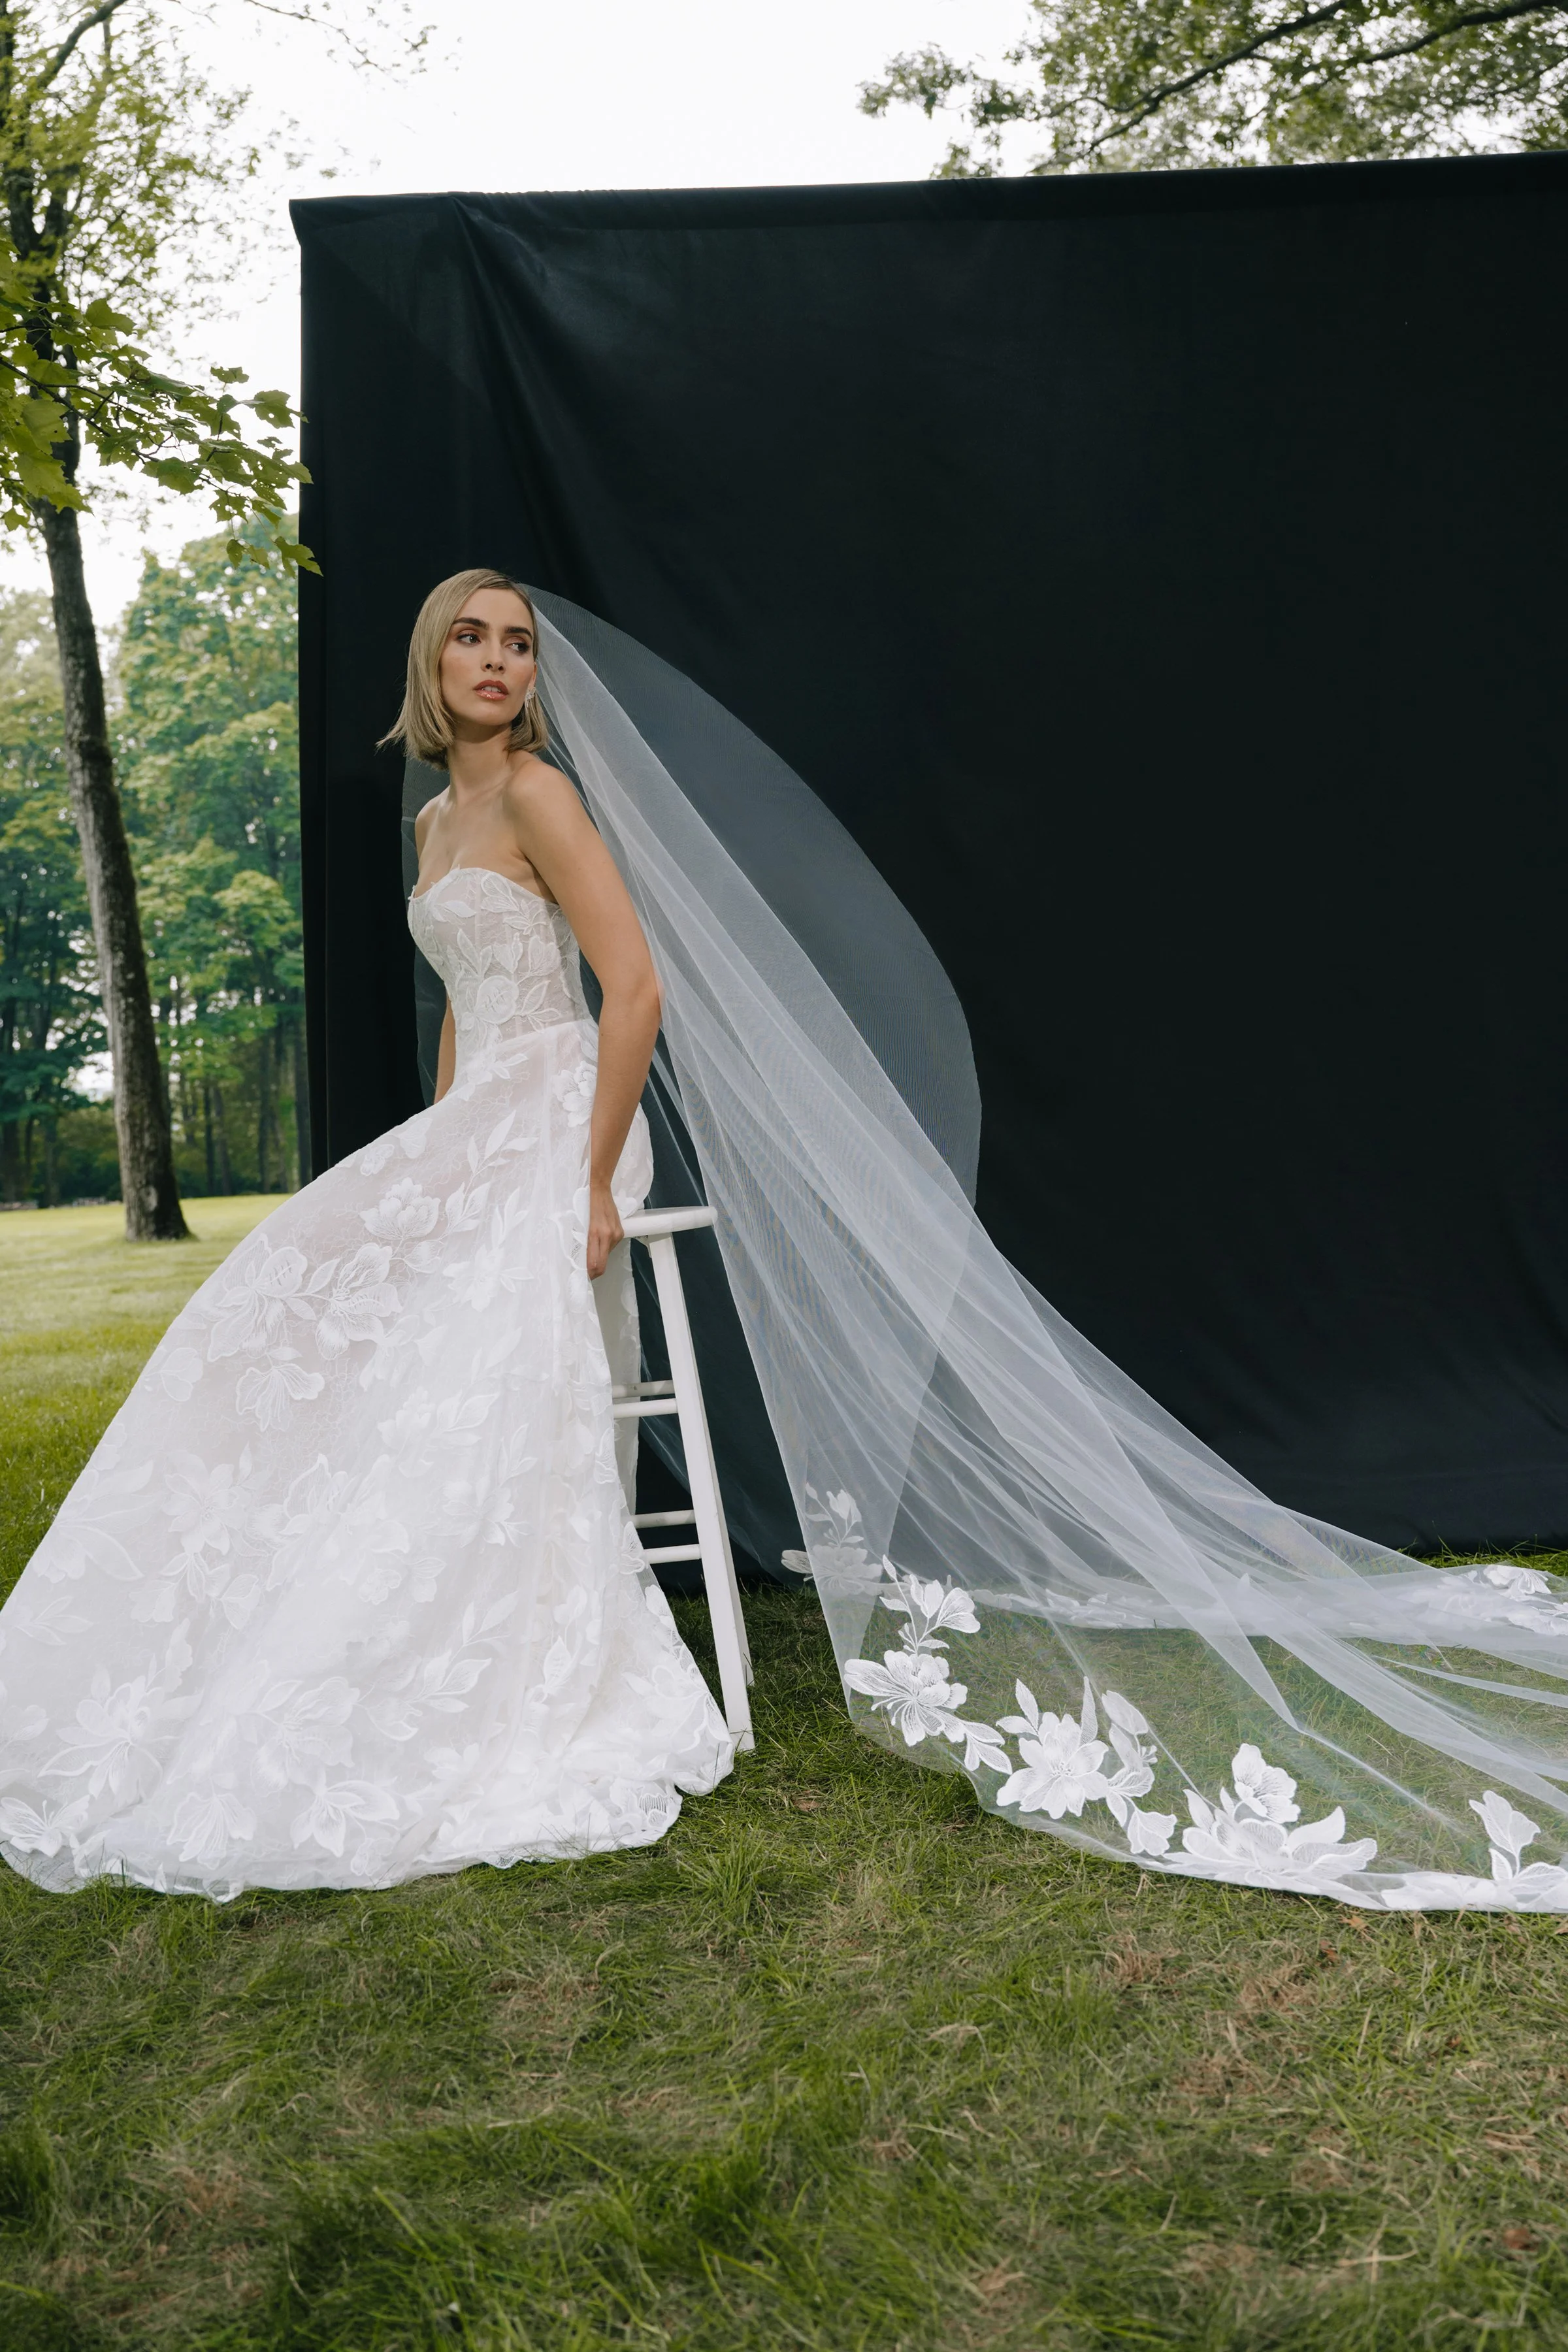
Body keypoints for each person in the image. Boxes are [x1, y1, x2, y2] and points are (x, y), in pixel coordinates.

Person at [0, 568, 734, 1899]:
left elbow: (633, 991)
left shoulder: (537, 794)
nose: (498, 662)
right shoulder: (440, 822)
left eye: (517, 645)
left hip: (568, 1104)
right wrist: (437, 1146)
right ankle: (242, 1604)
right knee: (275, 1286)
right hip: (488, 1106)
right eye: (472, 638)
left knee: (435, 1310)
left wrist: (584, 1181)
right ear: (432, 663)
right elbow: (464, 1000)